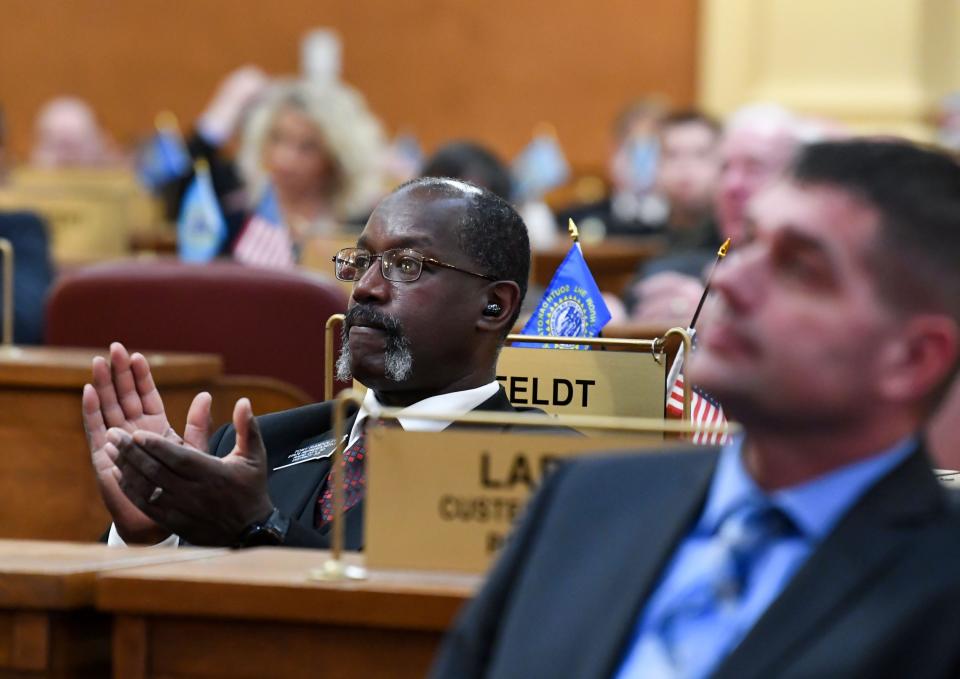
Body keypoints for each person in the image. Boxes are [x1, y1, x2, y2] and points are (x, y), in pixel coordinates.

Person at [432, 140, 960, 678]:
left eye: (799, 267)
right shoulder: (585, 498)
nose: (728, 282)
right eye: (748, 242)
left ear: (913, 359)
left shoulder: (943, 585)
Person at [83, 177, 535, 549]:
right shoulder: (254, 448)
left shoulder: (532, 473)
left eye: (407, 265)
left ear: (493, 306)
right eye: (362, 262)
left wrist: (260, 525)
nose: (364, 288)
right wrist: (152, 534)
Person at [630, 103, 805, 323]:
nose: (731, 185)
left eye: (754, 168)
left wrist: (717, 318)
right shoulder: (686, 261)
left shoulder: (821, 269)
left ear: (796, 179)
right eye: (725, 168)